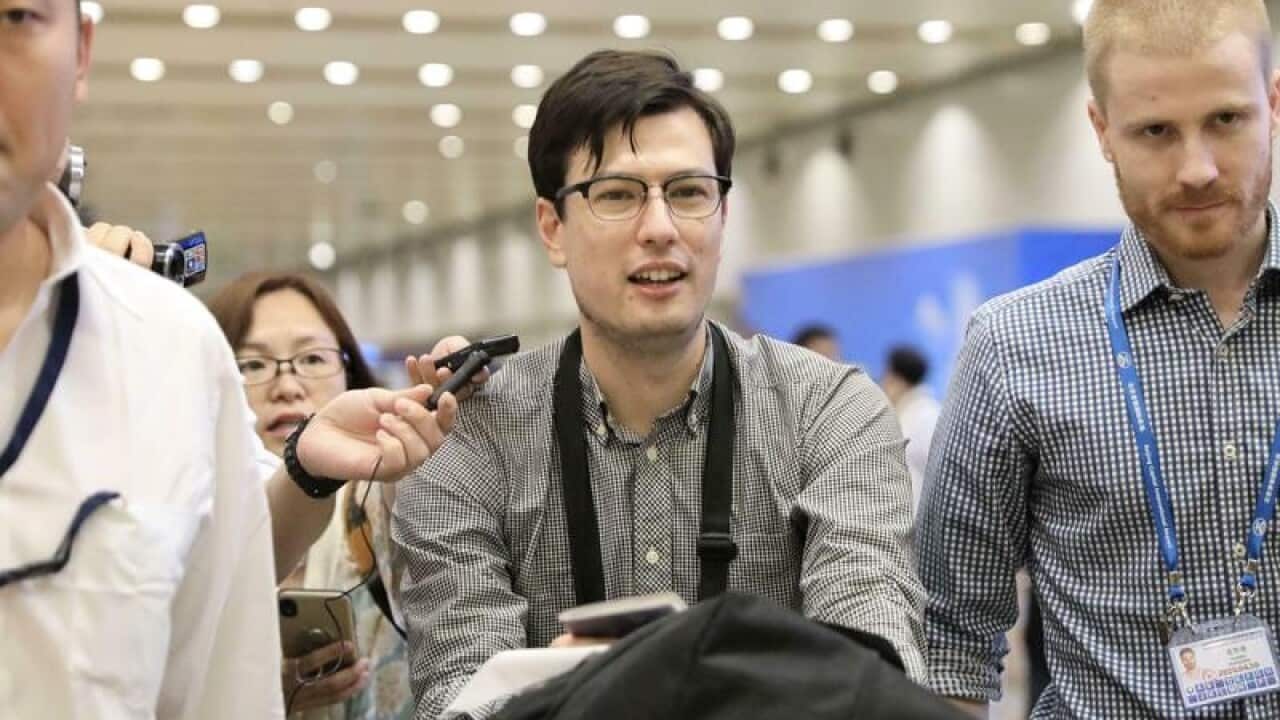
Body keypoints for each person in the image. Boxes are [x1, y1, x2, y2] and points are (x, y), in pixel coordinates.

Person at [393, 49, 925, 720]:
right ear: (553, 227)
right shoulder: (472, 434)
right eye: (616, 195)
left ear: (723, 215)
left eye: (688, 192)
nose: (660, 228)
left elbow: (869, 668)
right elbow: (461, 697)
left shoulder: (828, 411)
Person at [0, 3, 453, 717]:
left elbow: (219, 668)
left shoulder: (166, 348)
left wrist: (307, 468)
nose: (286, 384)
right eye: (260, 364)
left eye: (16, 18)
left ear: (80, 51)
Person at [920, 0, 1280, 716]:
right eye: (1155, 132)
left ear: (1274, 103)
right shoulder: (1012, 346)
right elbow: (953, 642)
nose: (1197, 169)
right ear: (1101, 131)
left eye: (1226, 120)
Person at [208, 272, 428, 718]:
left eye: (311, 358)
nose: (287, 385)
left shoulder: (382, 504)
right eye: (251, 365)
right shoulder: (188, 529)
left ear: (351, 374)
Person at [879, 345, 940, 517]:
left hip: (917, 525)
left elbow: (939, 475)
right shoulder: (905, 412)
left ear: (895, 379)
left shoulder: (926, 414)